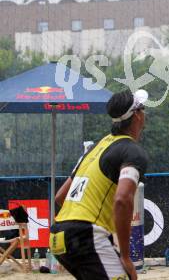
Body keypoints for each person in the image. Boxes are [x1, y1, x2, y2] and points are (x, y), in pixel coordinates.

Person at [49, 89, 149, 279]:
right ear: (137, 116)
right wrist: (126, 257)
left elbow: (60, 197)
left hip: (58, 236)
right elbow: (122, 199)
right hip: (85, 234)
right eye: (143, 109)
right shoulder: (133, 151)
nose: (145, 114)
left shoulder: (97, 147)